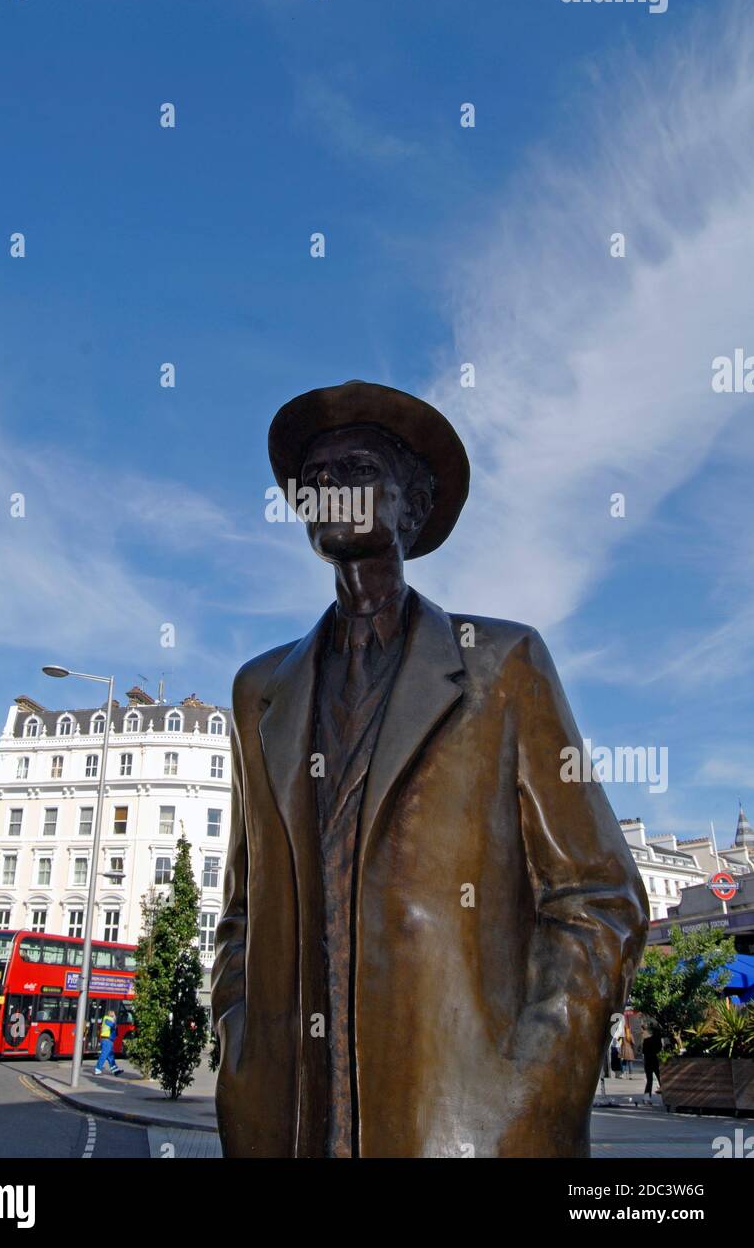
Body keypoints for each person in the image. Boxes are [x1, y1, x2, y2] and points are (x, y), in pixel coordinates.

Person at [211, 380, 649, 1158]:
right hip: (290, 1123)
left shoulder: (505, 665)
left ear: (412, 506)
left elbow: (598, 896)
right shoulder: (260, 691)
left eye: (356, 469)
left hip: (464, 1124)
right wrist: (239, 1035)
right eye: (314, 479)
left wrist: (536, 1085)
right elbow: (242, 911)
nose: (329, 489)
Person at [93, 1009, 122, 1076]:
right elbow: (113, 1026)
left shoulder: (107, 1019)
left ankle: (115, 1070)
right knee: (104, 1055)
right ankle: (98, 1069)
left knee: (110, 1056)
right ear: (111, 1014)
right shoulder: (108, 1020)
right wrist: (114, 1019)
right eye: (114, 1014)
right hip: (107, 1040)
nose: (115, 1015)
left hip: (108, 1040)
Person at [642, 1028, 663, 1099]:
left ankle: (647, 1097)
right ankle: (666, 1096)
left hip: (647, 1062)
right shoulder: (658, 1041)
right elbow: (659, 1049)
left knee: (649, 1081)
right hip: (655, 1061)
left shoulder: (646, 1040)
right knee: (660, 1079)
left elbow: (643, 1051)